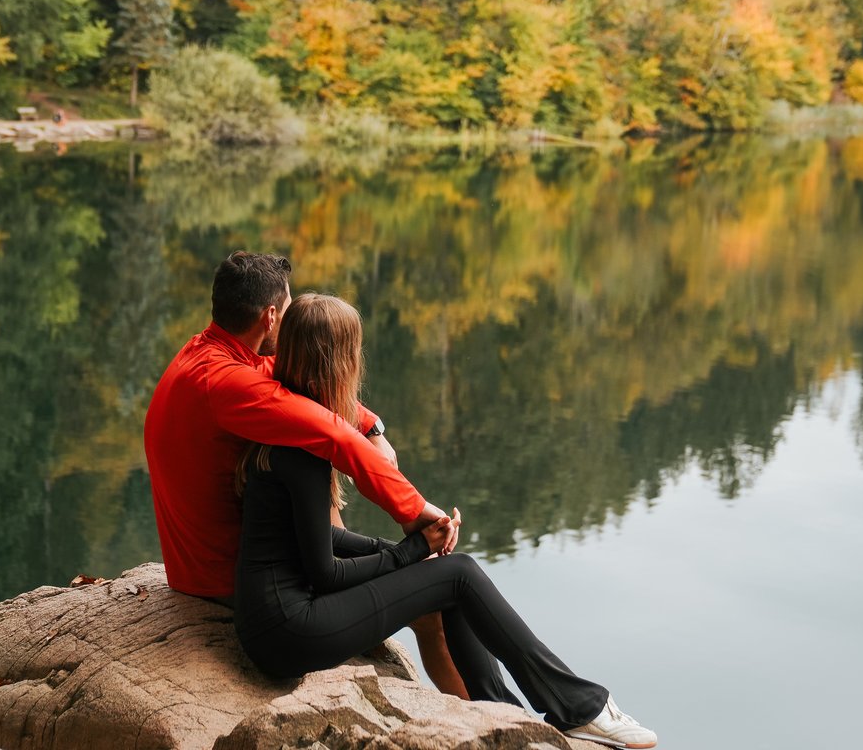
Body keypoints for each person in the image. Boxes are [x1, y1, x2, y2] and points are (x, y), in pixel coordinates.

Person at [232, 293, 659, 750]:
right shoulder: (305, 450)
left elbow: (321, 537)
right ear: (336, 362)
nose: (359, 360)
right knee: (460, 574)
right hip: (291, 631)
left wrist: (396, 549)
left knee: (451, 581)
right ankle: (581, 708)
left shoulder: (284, 422)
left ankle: (507, 718)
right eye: (355, 351)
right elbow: (324, 571)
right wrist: (411, 552)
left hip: (275, 624)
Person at [143, 251, 469, 693]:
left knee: (419, 577)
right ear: (270, 316)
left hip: (214, 565)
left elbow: (300, 383)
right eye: (290, 307)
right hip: (232, 581)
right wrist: (415, 513)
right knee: (433, 610)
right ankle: (476, 724)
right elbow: (330, 431)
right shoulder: (227, 384)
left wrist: (372, 426)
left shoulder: (206, 356)